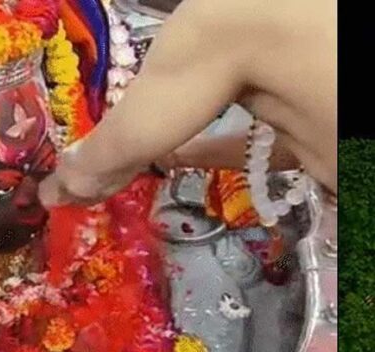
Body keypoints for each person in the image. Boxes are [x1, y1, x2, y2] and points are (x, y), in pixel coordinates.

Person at [39, 0, 337, 208]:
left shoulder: (230, 14)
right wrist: (172, 156)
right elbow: (299, 143)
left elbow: (84, 180)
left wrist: (43, 192)